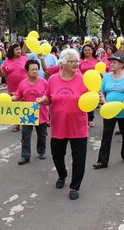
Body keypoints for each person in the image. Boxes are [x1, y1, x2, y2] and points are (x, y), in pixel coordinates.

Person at [36, 49, 88, 200]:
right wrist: (42, 100)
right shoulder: (52, 79)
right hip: (59, 125)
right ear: (63, 64)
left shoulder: (83, 79)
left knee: (79, 157)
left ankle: (75, 186)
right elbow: (48, 98)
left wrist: (96, 98)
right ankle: (62, 174)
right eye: (73, 61)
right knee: (57, 154)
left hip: (78, 125)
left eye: (77, 61)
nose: (76, 64)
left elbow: (90, 99)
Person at [93, 53, 124, 169]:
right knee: (106, 136)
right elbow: (101, 91)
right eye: (111, 62)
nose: (111, 64)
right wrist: (104, 102)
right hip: (109, 110)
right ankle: (102, 161)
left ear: (122, 64)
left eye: (114, 62)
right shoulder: (107, 76)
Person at [12, 59, 48, 165]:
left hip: (41, 113)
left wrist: (43, 100)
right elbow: (18, 96)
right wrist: (7, 98)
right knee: (25, 135)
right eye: (32, 69)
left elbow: (48, 97)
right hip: (27, 114)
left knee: (42, 135)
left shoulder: (44, 82)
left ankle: (41, 151)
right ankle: (25, 155)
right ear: (27, 71)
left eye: (37, 69)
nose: (35, 71)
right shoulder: (23, 83)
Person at [0, 43, 28, 132]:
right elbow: (3, 74)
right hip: (12, 88)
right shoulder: (7, 61)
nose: (19, 51)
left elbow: (29, 70)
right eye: (16, 49)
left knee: (25, 105)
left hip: (24, 87)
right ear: (12, 51)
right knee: (15, 106)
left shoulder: (24, 59)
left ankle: (26, 123)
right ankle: (16, 124)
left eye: (19, 49)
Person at [79, 43, 98, 127]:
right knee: (82, 100)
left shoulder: (96, 60)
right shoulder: (80, 61)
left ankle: (91, 119)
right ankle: (82, 119)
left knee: (91, 100)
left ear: (92, 51)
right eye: (85, 50)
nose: (87, 52)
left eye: (89, 50)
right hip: (82, 83)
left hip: (93, 83)